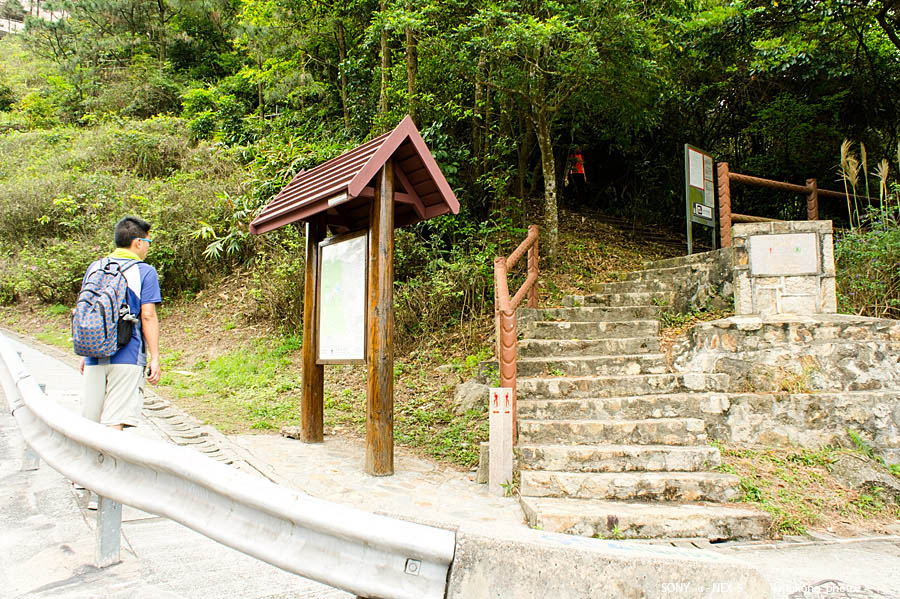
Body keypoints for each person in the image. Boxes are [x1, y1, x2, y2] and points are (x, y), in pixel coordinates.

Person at [79, 216, 162, 431]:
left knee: (90, 424)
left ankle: (89, 464)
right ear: (138, 242)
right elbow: (148, 316)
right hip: (128, 354)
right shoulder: (145, 271)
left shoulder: (95, 267)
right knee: (114, 423)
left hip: (93, 354)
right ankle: (109, 465)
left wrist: (83, 352)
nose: (147, 247)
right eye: (148, 242)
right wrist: (155, 358)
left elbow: (85, 310)